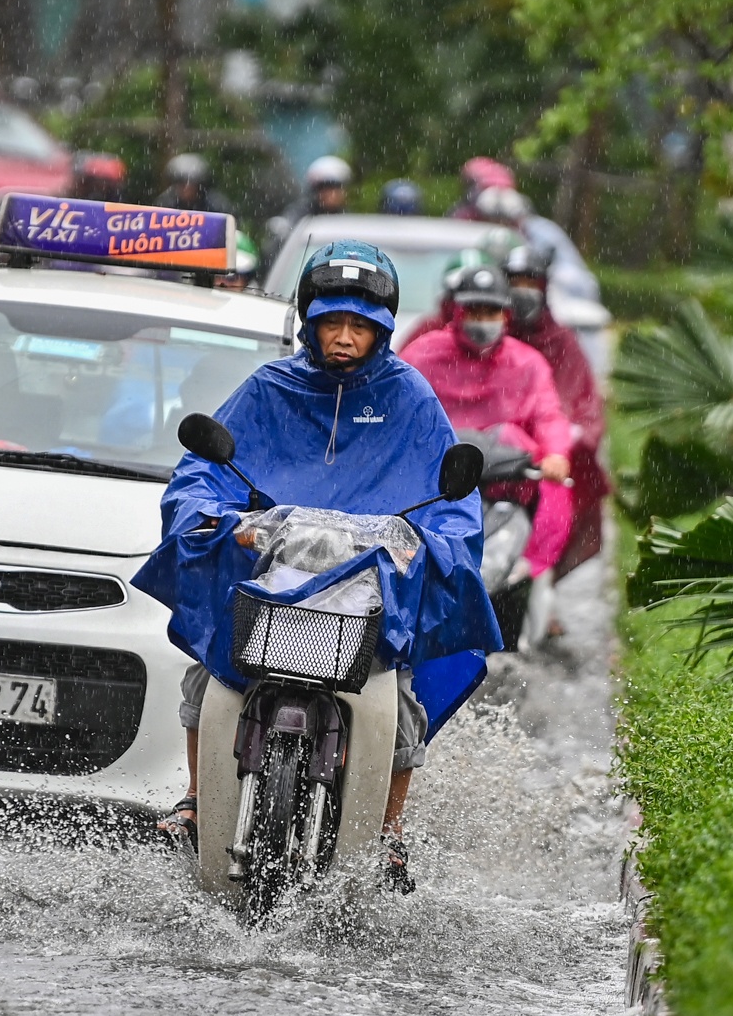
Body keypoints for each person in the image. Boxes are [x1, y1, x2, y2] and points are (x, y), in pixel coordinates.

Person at [134, 241, 501, 892]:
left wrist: (428, 542)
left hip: (369, 592)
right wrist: (220, 522)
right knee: (204, 678)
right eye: (333, 322)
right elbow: (203, 474)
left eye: (360, 326)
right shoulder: (269, 389)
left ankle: (387, 835)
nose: (344, 337)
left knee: (405, 702)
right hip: (271, 587)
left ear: (382, 330)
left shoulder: (411, 399)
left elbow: (456, 504)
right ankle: (196, 800)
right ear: (309, 321)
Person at [398, 264, 573, 642]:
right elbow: (393, 409)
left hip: (503, 490)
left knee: (553, 503)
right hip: (432, 490)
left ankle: (530, 593)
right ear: (456, 312)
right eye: (473, 311)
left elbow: (549, 416)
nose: (482, 321)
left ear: (505, 315)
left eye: (490, 312)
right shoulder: (421, 356)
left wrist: (556, 454)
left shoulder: (527, 365)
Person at [504, 242, 608, 594]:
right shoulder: (489, 335)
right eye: (515, 281)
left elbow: (584, 405)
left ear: (544, 287)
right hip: (497, 450)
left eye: (530, 282)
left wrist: (567, 440)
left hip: (549, 456)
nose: (523, 291)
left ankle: (542, 585)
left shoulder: (562, 343)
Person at [473, 184, 601, 303]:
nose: (501, 227)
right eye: (493, 220)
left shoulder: (543, 232)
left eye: (506, 221)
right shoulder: (473, 235)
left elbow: (577, 281)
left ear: (519, 218)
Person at [156, 152, 235, 215]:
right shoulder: (166, 203)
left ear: (200, 186)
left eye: (191, 185)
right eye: (181, 184)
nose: (186, 188)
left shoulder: (216, 205)